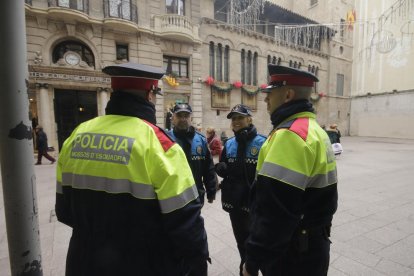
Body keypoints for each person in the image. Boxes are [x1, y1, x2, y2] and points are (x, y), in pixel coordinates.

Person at [55, 63, 210, 276]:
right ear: (150, 94)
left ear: (113, 93)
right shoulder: (159, 143)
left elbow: (63, 212)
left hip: (84, 262)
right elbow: (187, 225)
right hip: (142, 263)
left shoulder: (77, 135)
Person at [243, 65, 338, 276]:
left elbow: (275, 212)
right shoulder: (315, 130)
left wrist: (252, 261)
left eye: (270, 93)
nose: (265, 99)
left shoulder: (290, 135)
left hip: (291, 255)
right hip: (313, 245)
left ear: (287, 95)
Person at [215, 104, 266, 275]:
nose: (236, 121)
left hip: (255, 204)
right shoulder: (228, 144)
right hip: (235, 203)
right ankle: (245, 267)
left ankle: (256, 267)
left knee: (257, 241)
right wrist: (222, 169)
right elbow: (225, 170)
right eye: (234, 118)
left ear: (249, 119)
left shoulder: (262, 142)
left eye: (240, 118)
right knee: (241, 241)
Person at [168, 103, 217, 206]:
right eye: (179, 116)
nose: (183, 119)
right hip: (172, 195)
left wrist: (211, 190)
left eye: (186, 116)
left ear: (191, 118)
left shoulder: (201, 140)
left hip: (196, 195)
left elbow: (208, 168)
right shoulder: (165, 138)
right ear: (173, 118)